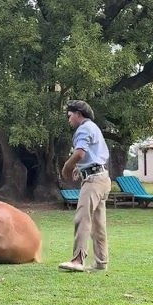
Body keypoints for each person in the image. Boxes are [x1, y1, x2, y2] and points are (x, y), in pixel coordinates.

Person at [59, 100, 111, 272]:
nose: (69, 119)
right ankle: (101, 262)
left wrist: (67, 167)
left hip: (93, 181)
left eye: (70, 116)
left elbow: (80, 153)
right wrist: (79, 169)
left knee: (82, 218)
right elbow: (91, 155)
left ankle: (77, 260)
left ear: (78, 114)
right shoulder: (93, 128)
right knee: (98, 224)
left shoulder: (83, 129)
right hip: (102, 178)